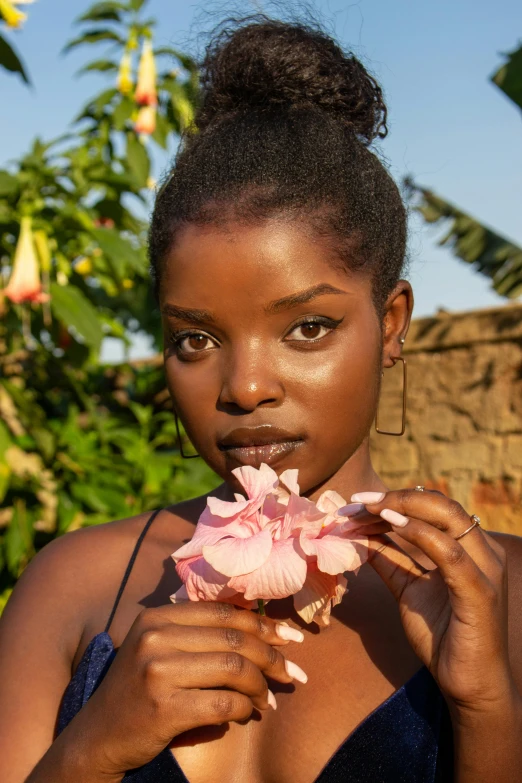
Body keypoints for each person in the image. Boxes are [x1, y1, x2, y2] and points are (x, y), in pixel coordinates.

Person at [1, 16, 521, 783]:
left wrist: (486, 707)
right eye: (196, 340)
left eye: (308, 327)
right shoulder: (70, 585)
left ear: (392, 323)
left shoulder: (499, 598)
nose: (244, 387)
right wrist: (90, 750)